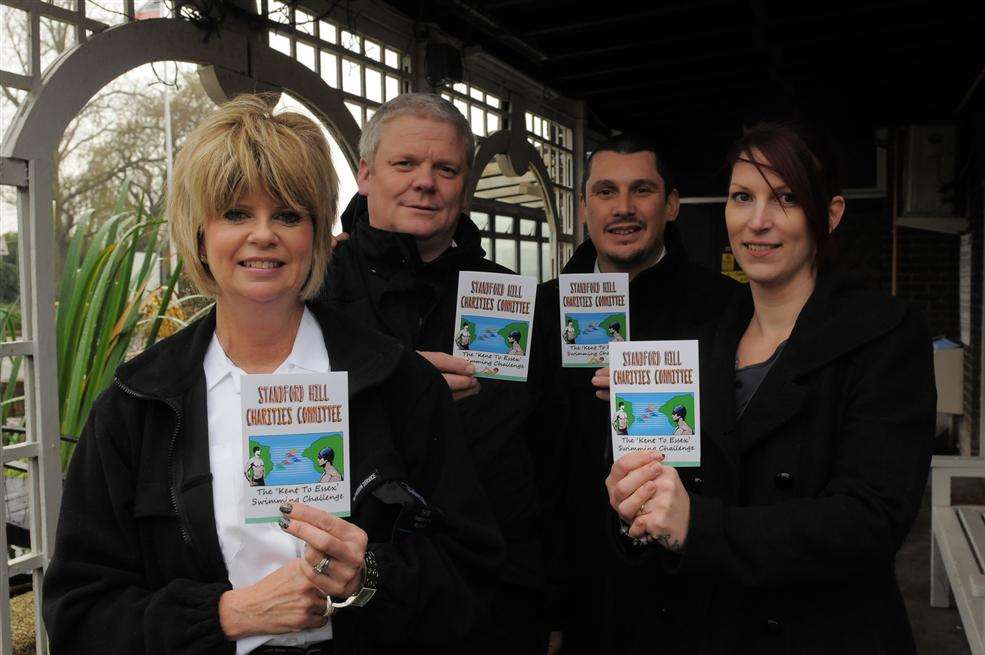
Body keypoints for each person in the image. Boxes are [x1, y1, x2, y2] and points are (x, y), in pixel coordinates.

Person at [42, 94, 502, 655]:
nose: (264, 235)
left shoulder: (397, 382)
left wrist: (370, 578)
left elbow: (475, 575)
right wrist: (225, 615)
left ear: (315, 233)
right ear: (200, 234)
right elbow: (79, 613)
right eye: (236, 214)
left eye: (287, 214)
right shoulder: (138, 400)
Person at [604, 123, 935, 654]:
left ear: (830, 214)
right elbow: (660, 511)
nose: (758, 222)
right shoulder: (701, 341)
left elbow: (871, 521)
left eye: (786, 198)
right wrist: (634, 508)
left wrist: (699, 526)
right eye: (742, 197)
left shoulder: (883, 334)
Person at [317, 92, 546, 654]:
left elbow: (542, 451)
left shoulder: (510, 297)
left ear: (464, 186)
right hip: (351, 599)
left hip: (490, 600)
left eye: (445, 169)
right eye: (405, 164)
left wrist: (547, 599)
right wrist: (397, 388)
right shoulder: (314, 289)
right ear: (366, 173)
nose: (426, 182)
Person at [531, 134, 740, 654]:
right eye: (606, 191)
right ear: (583, 209)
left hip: (698, 587)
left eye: (641, 190)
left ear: (670, 204)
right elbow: (531, 466)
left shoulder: (727, 308)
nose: (623, 208)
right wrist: (548, 600)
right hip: (583, 593)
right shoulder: (544, 310)